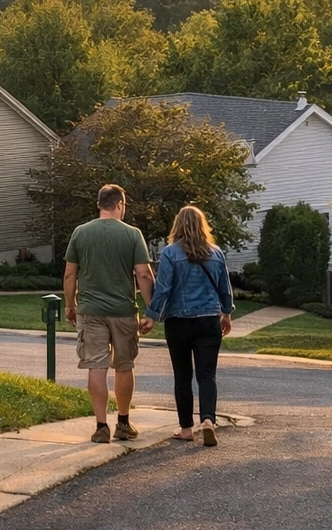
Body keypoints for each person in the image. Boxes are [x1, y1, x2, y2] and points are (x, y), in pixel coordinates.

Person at [64, 184, 155, 443]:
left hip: (90, 311)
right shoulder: (132, 234)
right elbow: (143, 274)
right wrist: (151, 310)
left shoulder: (80, 233)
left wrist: (70, 305)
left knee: (96, 365)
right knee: (124, 366)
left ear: (99, 204)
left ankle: (101, 426)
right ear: (120, 204)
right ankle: (123, 423)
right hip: (123, 311)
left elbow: (70, 274)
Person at [140, 204, 235, 446]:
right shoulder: (216, 253)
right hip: (209, 320)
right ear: (202, 226)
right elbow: (225, 287)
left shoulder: (170, 254)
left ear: (178, 226)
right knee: (207, 374)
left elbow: (163, 288)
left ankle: (186, 429)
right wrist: (226, 314)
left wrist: (151, 315)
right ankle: (208, 420)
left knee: (182, 375)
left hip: (178, 322)